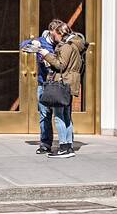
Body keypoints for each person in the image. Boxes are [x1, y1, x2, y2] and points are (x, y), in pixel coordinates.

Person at [22, 18, 70, 155]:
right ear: (51, 32)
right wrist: (33, 43)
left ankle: (67, 144)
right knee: (44, 114)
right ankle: (45, 144)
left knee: (63, 115)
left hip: (60, 84)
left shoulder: (64, 43)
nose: (58, 37)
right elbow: (23, 45)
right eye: (56, 33)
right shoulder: (42, 41)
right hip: (43, 83)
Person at [37, 29, 85, 158]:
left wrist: (45, 54)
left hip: (63, 83)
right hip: (69, 83)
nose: (54, 37)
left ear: (60, 34)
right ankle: (68, 146)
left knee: (59, 116)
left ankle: (64, 147)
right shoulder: (75, 45)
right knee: (66, 116)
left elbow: (60, 65)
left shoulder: (66, 46)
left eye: (54, 34)